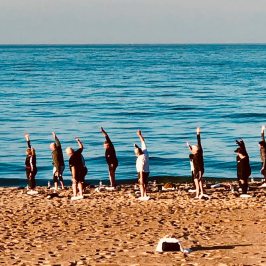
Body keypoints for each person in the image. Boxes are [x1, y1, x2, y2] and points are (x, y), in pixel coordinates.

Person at [187, 127, 206, 199]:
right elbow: (192, 149)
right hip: (198, 170)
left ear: (196, 150)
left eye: (192, 148)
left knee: (196, 182)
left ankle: (198, 195)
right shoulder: (196, 154)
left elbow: (199, 142)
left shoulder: (198, 154)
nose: (191, 149)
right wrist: (189, 146)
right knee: (199, 181)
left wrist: (198, 133)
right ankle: (201, 193)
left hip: (199, 170)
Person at [134, 130, 150, 200]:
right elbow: (143, 142)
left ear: (137, 153)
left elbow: (141, 169)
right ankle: (145, 194)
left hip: (142, 172)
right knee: (145, 183)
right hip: (147, 170)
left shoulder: (140, 158)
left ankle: (143, 195)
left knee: (141, 183)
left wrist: (141, 177)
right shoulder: (145, 153)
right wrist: (140, 135)